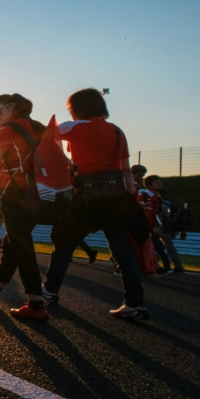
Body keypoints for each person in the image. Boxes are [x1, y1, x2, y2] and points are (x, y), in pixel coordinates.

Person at [43, 88, 151, 320]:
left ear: (76, 108)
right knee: (123, 253)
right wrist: (131, 198)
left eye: (69, 109)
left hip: (86, 198)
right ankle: (135, 303)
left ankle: (49, 291)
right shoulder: (116, 130)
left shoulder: (74, 126)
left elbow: (43, 138)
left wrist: (66, 163)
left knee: (64, 245)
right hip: (117, 198)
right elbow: (126, 170)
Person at [0, 93, 48, 321]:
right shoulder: (38, 127)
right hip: (40, 192)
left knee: (22, 245)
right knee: (14, 242)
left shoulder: (8, 129)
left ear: (12, 107)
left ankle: (36, 303)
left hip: (16, 191)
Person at [142, 175, 185, 274]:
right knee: (161, 246)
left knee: (157, 246)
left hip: (159, 226)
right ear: (149, 185)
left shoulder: (159, 198)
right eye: (156, 182)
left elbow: (162, 212)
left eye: (160, 182)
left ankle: (165, 266)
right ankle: (173, 266)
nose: (159, 184)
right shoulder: (146, 195)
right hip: (156, 226)